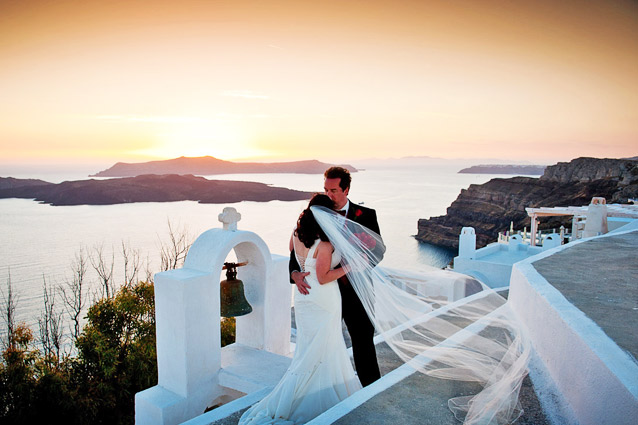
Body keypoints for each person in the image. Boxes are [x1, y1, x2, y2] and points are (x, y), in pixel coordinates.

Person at [239, 194, 362, 425]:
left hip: (304, 298)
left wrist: (296, 272)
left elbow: (291, 252)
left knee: (309, 347)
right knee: (325, 344)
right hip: (323, 298)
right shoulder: (324, 244)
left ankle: (306, 389)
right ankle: (317, 394)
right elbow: (324, 277)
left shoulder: (296, 234)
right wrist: (348, 267)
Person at [289, 166, 384, 387]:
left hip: (356, 291)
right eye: (326, 190)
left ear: (346, 189)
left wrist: (358, 265)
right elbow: (296, 250)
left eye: (333, 190)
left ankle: (371, 388)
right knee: (321, 342)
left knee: (363, 340)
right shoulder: (314, 214)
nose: (329, 195)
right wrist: (294, 273)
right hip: (324, 294)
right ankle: (321, 386)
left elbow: (378, 252)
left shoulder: (366, 216)